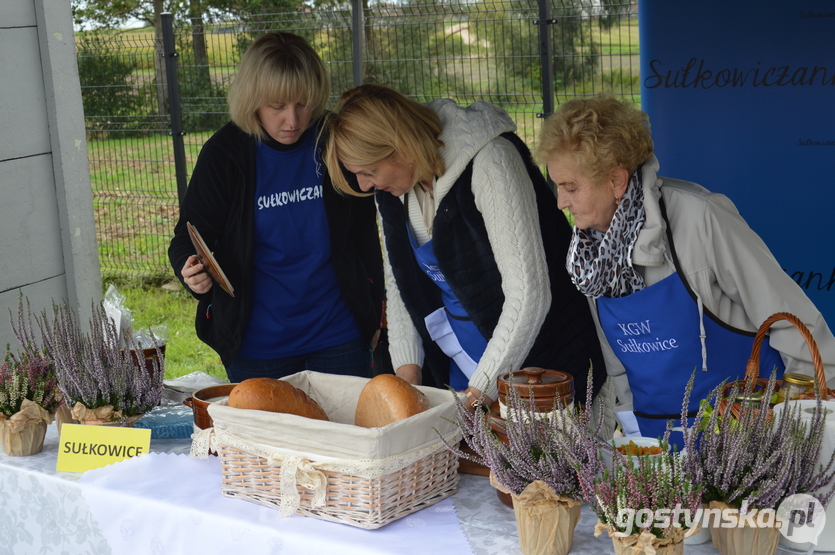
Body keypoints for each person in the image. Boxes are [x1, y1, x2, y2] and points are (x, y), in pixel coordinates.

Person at [536, 93, 835, 443]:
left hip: (745, 435)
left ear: (616, 181)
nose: (560, 202)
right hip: (656, 445)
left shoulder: (701, 219)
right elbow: (617, 362)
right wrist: (635, 434)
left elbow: (790, 318)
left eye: (570, 187)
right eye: (558, 186)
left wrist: (811, 425)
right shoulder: (588, 250)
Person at [322, 84, 608, 414]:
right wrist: (407, 376)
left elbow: (529, 295)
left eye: (368, 172)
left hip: (540, 368)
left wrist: (479, 393)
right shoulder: (391, 189)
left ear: (400, 148)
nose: (364, 185)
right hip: (467, 369)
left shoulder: (491, 162)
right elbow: (401, 284)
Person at [168, 33, 384, 383]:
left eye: (303, 104)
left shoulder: (335, 142)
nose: (293, 120)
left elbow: (364, 237)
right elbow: (187, 238)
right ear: (252, 100)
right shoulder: (225, 155)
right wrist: (188, 270)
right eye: (277, 106)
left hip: (339, 336)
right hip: (257, 347)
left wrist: (374, 313)